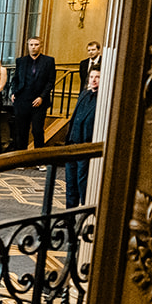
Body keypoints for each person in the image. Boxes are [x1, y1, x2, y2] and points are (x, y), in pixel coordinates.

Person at [9, 36, 56, 151]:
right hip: (22, 100)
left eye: (36, 45)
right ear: (28, 46)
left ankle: (39, 160)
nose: (33, 47)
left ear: (41, 46)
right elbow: (15, 79)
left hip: (39, 102)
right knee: (21, 131)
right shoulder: (21, 61)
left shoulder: (49, 61)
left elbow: (50, 82)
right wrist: (13, 92)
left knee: (37, 130)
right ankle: (22, 158)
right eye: (31, 45)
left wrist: (41, 97)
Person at [65, 67, 100, 208]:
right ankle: (68, 217)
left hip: (86, 145)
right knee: (70, 183)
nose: (93, 80)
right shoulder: (84, 93)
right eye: (91, 76)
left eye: (97, 77)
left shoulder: (103, 98)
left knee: (83, 182)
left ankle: (85, 216)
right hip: (73, 143)